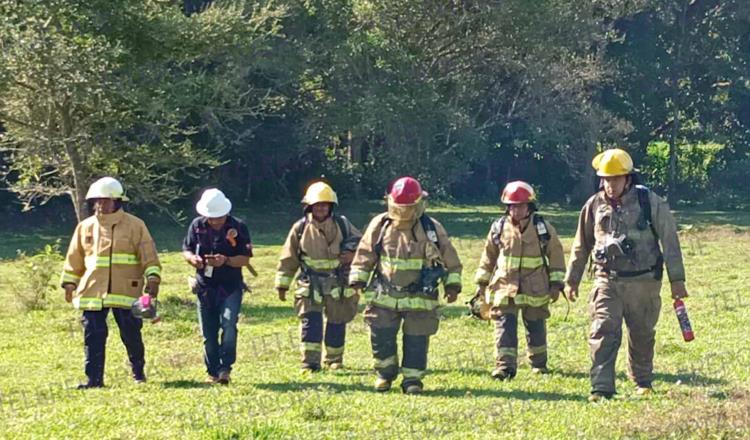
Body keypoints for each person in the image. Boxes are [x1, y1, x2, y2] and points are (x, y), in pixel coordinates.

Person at [565, 148, 689, 402]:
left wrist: (677, 280)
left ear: (628, 178)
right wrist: (572, 280)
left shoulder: (650, 202)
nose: (609, 185)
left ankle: (642, 381)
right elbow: (581, 244)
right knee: (603, 329)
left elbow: (670, 241)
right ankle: (601, 388)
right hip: (607, 279)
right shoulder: (593, 206)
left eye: (615, 179)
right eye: (605, 179)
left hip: (644, 282)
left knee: (642, 333)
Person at [349, 177, 462, 394]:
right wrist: (357, 280)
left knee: (417, 339)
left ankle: (412, 380)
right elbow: (365, 253)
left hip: (420, 296)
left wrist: (452, 286)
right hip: (384, 295)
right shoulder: (380, 225)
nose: (404, 212)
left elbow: (449, 259)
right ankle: (385, 374)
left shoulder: (431, 229)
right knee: (381, 335)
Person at [61, 177, 161, 388]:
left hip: (127, 290)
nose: (101, 204)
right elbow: (74, 258)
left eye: (106, 200)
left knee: (131, 333)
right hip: (92, 292)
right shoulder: (85, 227)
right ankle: (94, 380)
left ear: (117, 201)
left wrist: (152, 278)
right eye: (98, 200)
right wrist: (69, 283)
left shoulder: (135, 225)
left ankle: (138, 374)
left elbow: (148, 255)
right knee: (93, 336)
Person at [473, 181, 565, 380]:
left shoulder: (543, 228)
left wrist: (556, 284)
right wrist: (482, 283)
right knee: (504, 324)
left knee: (536, 324)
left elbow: (556, 255)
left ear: (530, 206)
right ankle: (505, 367)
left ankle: (539, 364)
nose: (516, 210)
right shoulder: (498, 228)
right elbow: (488, 256)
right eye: (512, 206)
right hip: (505, 286)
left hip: (535, 287)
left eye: (521, 205)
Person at [275, 181, 362, 372]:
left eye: (325, 205)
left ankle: (333, 360)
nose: (321, 208)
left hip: (337, 282)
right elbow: (289, 257)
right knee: (310, 322)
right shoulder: (300, 228)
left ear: (331, 206)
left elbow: (362, 243)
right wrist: (282, 284)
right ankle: (310, 362)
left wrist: (351, 255)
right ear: (310, 206)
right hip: (310, 283)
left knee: (337, 321)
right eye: (317, 205)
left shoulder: (342, 224)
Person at [182, 188, 252, 385]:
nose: (215, 222)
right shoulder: (196, 226)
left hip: (230, 287)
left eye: (219, 218)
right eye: (211, 218)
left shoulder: (238, 227)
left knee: (229, 325)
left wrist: (226, 260)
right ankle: (212, 371)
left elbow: (245, 259)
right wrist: (192, 259)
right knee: (208, 333)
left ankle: (225, 368)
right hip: (205, 288)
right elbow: (186, 249)